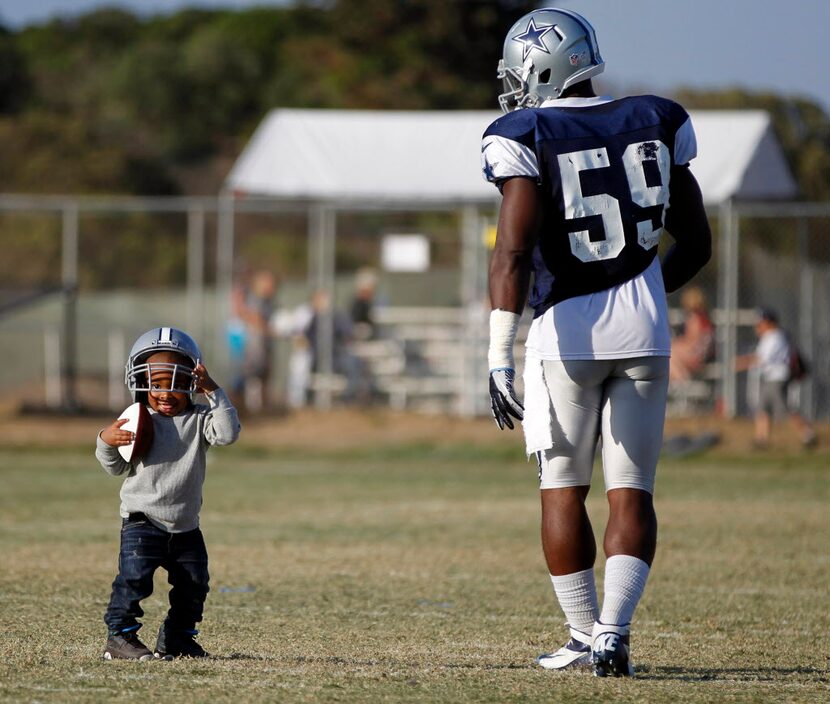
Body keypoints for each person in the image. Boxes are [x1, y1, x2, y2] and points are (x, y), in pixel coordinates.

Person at [483, 8, 711, 677]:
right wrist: (641, 294)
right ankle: (613, 634)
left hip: (568, 332)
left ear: (541, 66)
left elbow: (513, 254)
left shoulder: (525, 131)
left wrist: (499, 351)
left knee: (562, 489)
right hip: (644, 330)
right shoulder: (656, 117)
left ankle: (585, 634)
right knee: (631, 492)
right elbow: (695, 244)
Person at [96, 327, 241, 661]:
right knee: (133, 581)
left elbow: (228, 434)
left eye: (175, 383)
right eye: (156, 384)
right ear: (139, 381)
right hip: (141, 521)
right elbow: (115, 467)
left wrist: (215, 391)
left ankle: (176, 639)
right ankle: (120, 637)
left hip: (186, 524)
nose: (165, 393)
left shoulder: (201, 418)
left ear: (192, 383)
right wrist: (105, 439)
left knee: (194, 585)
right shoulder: (136, 420)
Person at [736, 307, 816, 448]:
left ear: (769, 322)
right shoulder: (768, 337)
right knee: (762, 408)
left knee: (785, 409)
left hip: (778, 378)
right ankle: (762, 440)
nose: (758, 326)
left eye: (761, 322)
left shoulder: (776, 337)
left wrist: (742, 363)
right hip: (770, 378)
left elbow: (763, 358)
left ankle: (807, 434)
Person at [669, 286, 714, 382]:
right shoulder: (704, 316)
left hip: (697, 355)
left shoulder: (695, 318)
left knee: (670, 352)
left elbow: (692, 341)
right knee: (671, 353)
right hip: (701, 354)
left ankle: (682, 383)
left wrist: (677, 342)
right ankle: (681, 382)